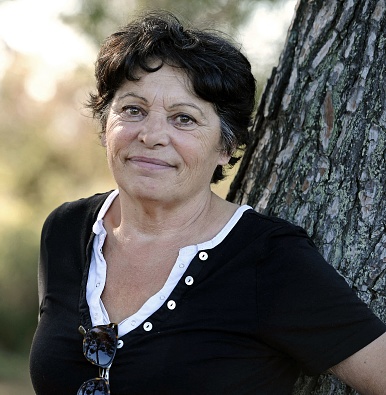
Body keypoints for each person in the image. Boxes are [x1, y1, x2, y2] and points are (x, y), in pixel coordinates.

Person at [29, 10, 386, 395]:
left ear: (225, 147)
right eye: (133, 110)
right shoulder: (66, 230)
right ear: (106, 124)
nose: (151, 135)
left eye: (183, 119)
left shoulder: (268, 259)